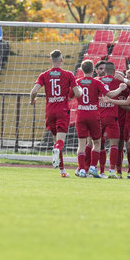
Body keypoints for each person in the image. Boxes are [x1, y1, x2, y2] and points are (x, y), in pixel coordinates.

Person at [30, 49, 81, 178]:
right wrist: (78, 89)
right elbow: (79, 94)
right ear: (62, 60)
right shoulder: (68, 74)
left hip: (50, 111)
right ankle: (58, 153)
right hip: (62, 111)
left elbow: (33, 91)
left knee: (56, 141)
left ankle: (62, 171)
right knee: (60, 142)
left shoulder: (44, 75)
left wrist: (32, 100)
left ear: (50, 60)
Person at [75, 59, 126, 178]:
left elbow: (72, 96)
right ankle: (103, 169)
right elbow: (110, 94)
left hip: (84, 115)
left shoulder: (79, 81)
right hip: (97, 116)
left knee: (85, 143)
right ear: (94, 70)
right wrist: (121, 87)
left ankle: (83, 169)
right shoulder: (104, 81)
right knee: (100, 143)